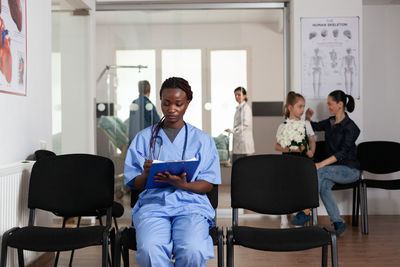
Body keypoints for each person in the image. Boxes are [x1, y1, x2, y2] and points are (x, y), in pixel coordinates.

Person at [124, 77, 221, 266]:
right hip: (154, 206)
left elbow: (208, 183)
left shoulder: (203, 140)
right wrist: (145, 174)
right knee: (150, 250)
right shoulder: (143, 138)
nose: (171, 109)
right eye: (166, 103)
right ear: (160, 101)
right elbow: (134, 183)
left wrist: (184, 185)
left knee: (193, 250)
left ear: (187, 103)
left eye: (178, 104)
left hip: (191, 205)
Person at [303, 90, 360, 235]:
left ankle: (306, 209)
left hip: (349, 170)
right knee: (323, 187)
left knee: (320, 171)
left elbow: (342, 153)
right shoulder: (330, 122)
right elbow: (313, 127)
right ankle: (338, 223)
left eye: (330, 104)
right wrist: (307, 118)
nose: (328, 106)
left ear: (340, 105)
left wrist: (321, 164)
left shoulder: (351, 127)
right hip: (333, 170)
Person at [274, 91, 316, 228]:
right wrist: (290, 149)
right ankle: (284, 218)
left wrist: (311, 151)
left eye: (304, 107)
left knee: (301, 189)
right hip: (287, 162)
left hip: (302, 162)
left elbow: (312, 140)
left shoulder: (306, 124)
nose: (302, 110)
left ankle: (300, 217)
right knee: (285, 189)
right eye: (299, 106)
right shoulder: (283, 125)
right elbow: (276, 145)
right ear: (290, 108)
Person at [225, 87, 255, 163]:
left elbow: (245, 124)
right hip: (239, 145)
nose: (237, 97)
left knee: (242, 168)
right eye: (235, 95)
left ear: (244, 96)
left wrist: (233, 130)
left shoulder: (246, 108)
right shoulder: (239, 108)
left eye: (239, 95)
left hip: (243, 145)